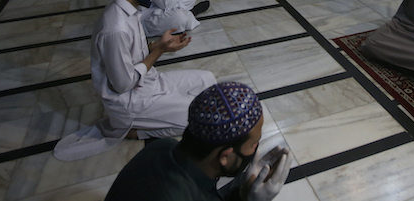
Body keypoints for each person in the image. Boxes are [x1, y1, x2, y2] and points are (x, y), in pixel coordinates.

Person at [53, 0, 216, 161]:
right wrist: (158, 51)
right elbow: (122, 84)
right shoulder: (115, 28)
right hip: (131, 101)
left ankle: (160, 114)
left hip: (150, 82)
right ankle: (132, 129)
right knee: (200, 118)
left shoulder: (131, 11)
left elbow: (134, 53)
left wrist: (157, 45)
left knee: (208, 80)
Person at [105, 82, 292, 201]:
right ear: (225, 156)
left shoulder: (162, 146)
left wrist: (243, 193)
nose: (255, 149)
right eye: (253, 144)